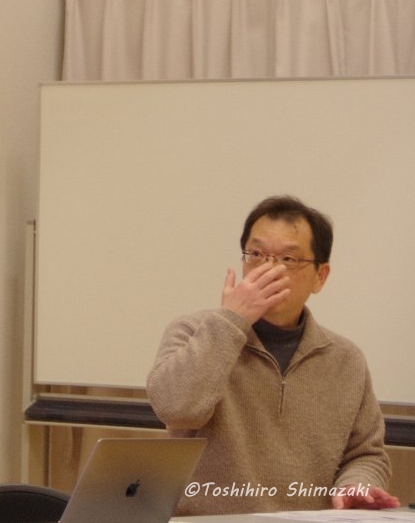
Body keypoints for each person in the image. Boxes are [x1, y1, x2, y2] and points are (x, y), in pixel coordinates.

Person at [146, 194, 400, 516]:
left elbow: (365, 454)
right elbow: (175, 409)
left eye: (288, 259)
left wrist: (356, 485)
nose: (268, 269)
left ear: (320, 276)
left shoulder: (346, 359)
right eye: (256, 254)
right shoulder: (194, 331)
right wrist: (231, 320)